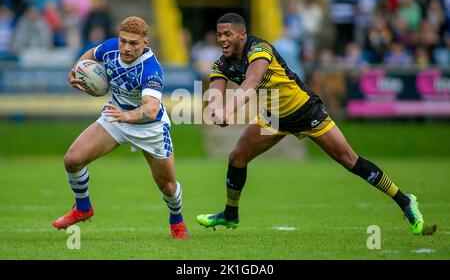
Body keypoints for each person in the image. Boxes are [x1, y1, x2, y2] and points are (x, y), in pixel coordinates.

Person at [196, 13, 436, 236]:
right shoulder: (221, 64)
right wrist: (216, 111)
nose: (222, 39)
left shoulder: (259, 49)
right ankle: (230, 215)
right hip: (274, 116)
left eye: (227, 34)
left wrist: (229, 110)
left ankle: (405, 201)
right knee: (237, 157)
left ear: (242, 34)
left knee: (350, 160)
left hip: (305, 110)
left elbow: (253, 80)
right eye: (219, 35)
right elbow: (215, 92)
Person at [52, 16, 189, 239]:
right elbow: (91, 55)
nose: (126, 48)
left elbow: (152, 109)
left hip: (150, 129)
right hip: (116, 117)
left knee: (168, 187)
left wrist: (127, 116)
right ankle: (83, 208)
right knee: (72, 160)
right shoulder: (110, 48)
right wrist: (76, 70)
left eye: (133, 43)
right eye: (123, 41)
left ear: (146, 43)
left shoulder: (151, 69)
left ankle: (177, 221)